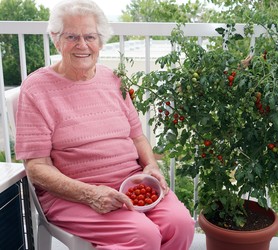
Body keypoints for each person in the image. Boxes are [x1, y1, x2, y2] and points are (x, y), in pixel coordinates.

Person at [14, 0, 195, 249]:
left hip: (130, 182)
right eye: (71, 36)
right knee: (143, 235)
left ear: (100, 42)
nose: (82, 45)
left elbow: (137, 137)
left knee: (181, 225)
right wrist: (89, 194)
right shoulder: (36, 89)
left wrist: (152, 166)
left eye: (90, 36)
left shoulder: (113, 80)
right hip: (73, 194)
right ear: (56, 39)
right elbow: (36, 167)